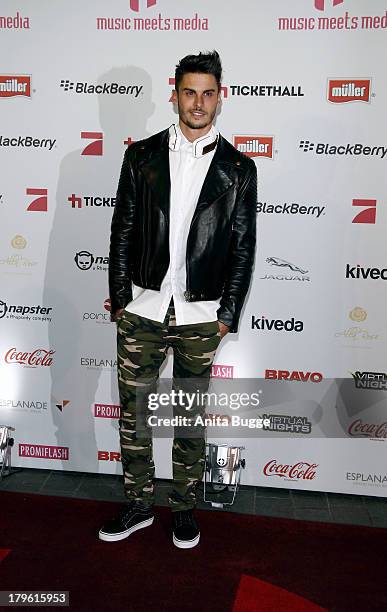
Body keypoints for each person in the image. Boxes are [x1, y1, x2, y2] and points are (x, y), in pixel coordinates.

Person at [99, 50, 257, 549]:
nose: (198, 102)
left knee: (188, 415)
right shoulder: (140, 156)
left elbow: (243, 247)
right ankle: (140, 503)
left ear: (220, 98)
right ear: (174, 94)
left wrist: (227, 314)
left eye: (208, 93)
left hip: (202, 313)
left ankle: (183, 508)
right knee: (134, 412)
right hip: (143, 306)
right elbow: (121, 229)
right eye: (190, 92)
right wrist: (120, 297)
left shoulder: (239, 168)